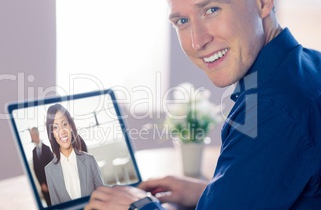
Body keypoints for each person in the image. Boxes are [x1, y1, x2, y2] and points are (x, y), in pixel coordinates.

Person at [85, 0, 321, 209]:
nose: (197, 41)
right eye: (182, 20)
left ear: (263, 3)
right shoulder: (310, 66)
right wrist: (208, 193)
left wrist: (138, 206)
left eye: (212, 9)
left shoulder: (271, 108)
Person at [44, 104, 104, 205]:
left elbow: (104, 198)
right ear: (52, 133)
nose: (62, 131)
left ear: (70, 126)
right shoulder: (49, 170)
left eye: (64, 124)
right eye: (55, 127)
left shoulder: (90, 160)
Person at [29, 127, 54, 206]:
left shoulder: (47, 149)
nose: (31, 137)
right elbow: (36, 170)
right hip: (43, 187)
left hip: (51, 186)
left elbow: (52, 168)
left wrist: (48, 183)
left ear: (37, 135)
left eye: (32, 135)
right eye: (31, 135)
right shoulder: (33, 152)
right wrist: (42, 184)